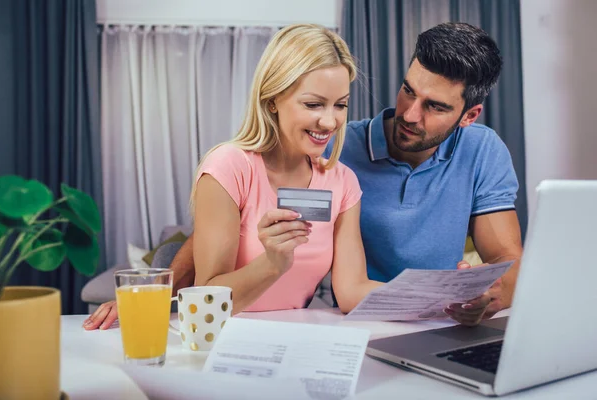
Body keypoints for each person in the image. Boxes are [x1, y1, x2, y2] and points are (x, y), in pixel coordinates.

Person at [84, 23, 383, 330]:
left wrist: (428, 299)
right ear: (272, 100)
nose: (330, 120)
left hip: (296, 340)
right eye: (313, 104)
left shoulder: (343, 182)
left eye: (341, 105)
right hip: (223, 340)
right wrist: (273, 263)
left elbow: (351, 291)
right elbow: (205, 301)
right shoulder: (229, 167)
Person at [323, 22, 523, 326]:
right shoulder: (337, 148)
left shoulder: (483, 150)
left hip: (437, 326)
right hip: (349, 323)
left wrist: (489, 296)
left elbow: (505, 258)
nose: (409, 114)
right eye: (408, 91)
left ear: (469, 115)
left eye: (435, 107)